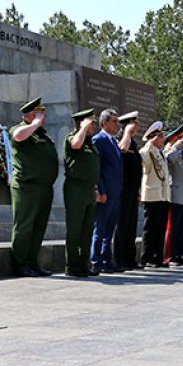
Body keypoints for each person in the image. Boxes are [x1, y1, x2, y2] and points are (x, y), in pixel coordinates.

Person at [9, 97, 59, 278]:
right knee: (25, 226)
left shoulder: (42, 134)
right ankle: (20, 264)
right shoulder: (20, 129)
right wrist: (35, 124)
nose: (44, 116)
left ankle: (32, 262)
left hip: (44, 187)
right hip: (27, 187)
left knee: (39, 227)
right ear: (30, 115)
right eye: (40, 113)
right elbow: (18, 136)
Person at [63, 109, 100, 278]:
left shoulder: (90, 143)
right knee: (75, 228)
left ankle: (85, 263)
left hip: (89, 189)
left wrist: (96, 188)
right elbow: (75, 145)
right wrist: (83, 129)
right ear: (82, 123)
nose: (94, 126)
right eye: (91, 123)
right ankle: (72, 265)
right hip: (75, 189)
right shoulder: (73, 137)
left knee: (87, 229)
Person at [91, 109, 125, 274]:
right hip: (106, 193)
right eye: (114, 122)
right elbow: (98, 168)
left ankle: (107, 260)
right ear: (104, 123)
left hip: (116, 192)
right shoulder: (99, 140)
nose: (117, 125)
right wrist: (101, 190)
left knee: (109, 230)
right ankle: (96, 260)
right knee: (100, 229)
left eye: (117, 121)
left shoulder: (113, 141)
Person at [140, 121, 171, 268]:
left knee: (160, 228)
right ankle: (147, 257)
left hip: (163, 195)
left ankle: (158, 257)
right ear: (153, 138)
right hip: (152, 195)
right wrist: (149, 143)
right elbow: (144, 161)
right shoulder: (147, 151)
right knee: (151, 228)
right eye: (160, 136)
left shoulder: (160, 153)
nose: (163, 139)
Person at [114, 111, 142, 270]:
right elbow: (122, 149)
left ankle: (130, 258)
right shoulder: (122, 139)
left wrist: (138, 188)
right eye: (134, 124)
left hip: (132, 188)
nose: (137, 127)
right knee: (122, 225)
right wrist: (126, 132)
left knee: (131, 225)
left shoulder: (132, 142)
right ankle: (120, 259)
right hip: (123, 189)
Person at [164, 126, 183, 266]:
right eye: (179, 138)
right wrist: (176, 147)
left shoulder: (181, 154)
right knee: (173, 228)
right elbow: (168, 159)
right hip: (174, 195)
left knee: (181, 228)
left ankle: (178, 254)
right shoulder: (170, 150)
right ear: (173, 139)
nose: (182, 141)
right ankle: (170, 255)